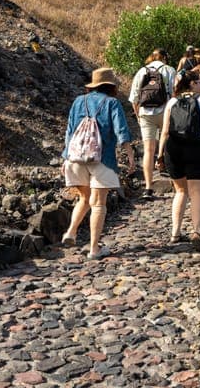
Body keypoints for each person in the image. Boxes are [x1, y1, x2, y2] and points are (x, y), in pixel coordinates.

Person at [61, 67, 135, 260]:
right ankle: (94, 249)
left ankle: (70, 232)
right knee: (99, 204)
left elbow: (69, 131)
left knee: (84, 199)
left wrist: (65, 157)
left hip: (76, 158)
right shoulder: (112, 103)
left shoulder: (78, 101)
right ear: (110, 86)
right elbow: (121, 131)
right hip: (103, 159)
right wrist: (129, 154)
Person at [157, 70, 200, 251]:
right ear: (192, 84)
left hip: (174, 148)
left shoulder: (172, 102)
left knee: (180, 191)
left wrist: (160, 154)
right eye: (198, 82)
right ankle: (196, 231)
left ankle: (175, 232)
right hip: (195, 147)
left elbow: (165, 130)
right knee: (197, 192)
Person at [129, 49, 176, 199]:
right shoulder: (169, 70)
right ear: (165, 58)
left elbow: (134, 98)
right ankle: (175, 182)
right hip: (166, 111)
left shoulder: (141, 71)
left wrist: (138, 115)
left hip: (145, 113)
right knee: (169, 145)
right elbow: (175, 93)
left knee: (148, 151)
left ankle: (148, 188)